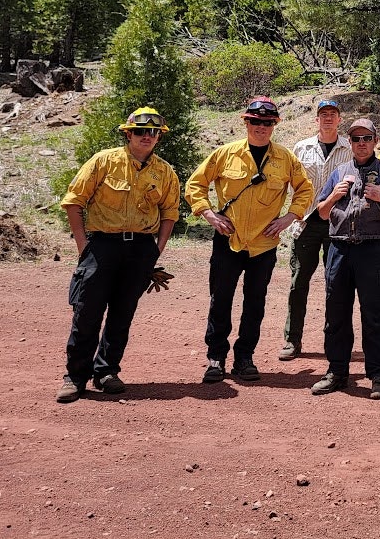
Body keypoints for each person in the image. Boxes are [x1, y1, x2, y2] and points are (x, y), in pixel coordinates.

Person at [56, 107, 181, 402]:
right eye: (140, 131)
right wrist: (83, 247)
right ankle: (75, 377)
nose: (146, 136)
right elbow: (74, 202)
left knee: (122, 315)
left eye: (153, 132)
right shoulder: (104, 161)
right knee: (87, 312)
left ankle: (106, 372)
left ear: (159, 138)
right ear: (128, 133)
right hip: (102, 246)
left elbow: (170, 214)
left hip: (140, 249)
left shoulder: (164, 172)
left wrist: (155, 251)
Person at [187, 97, 313, 384]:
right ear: (246, 122)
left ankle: (244, 358)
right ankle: (216, 358)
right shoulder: (225, 154)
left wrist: (288, 218)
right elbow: (195, 184)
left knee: (255, 303)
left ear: (274, 125)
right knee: (221, 301)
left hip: (264, 245)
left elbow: (304, 189)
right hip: (228, 241)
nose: (261, 127)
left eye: (267, 123)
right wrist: (209, 214)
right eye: (255, 121)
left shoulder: (285, 158)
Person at [310, 118, 380, 399]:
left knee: (375, 313)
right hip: (339, 248)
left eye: (367, 138)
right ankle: (337, 371)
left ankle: (378, 374)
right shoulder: (339, 172)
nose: (361, 143)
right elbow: (321, 212)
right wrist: (333, 197)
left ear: (376, 141)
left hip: (373, 249)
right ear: (349, 143)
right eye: (356, 139)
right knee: (336, 312)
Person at [279, 99, 351, 362]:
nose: (328, 118)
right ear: (317, 119)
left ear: (339, 119)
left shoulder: (349, 148)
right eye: (323, 115)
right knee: (299, 283)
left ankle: (333, 343)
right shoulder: (302, 147)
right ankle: (291, 340)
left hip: (338, 224)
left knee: (337, 286)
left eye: (333, 114)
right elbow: (290, 184)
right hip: (306, 223)